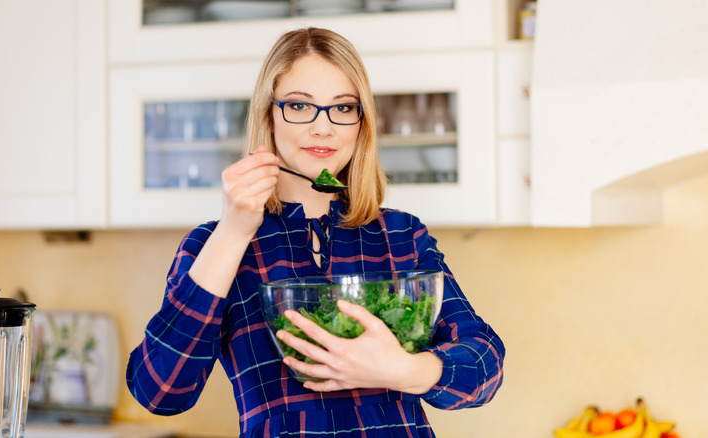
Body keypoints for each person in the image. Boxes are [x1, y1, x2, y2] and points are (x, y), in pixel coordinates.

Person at [126, 27, 505, 437]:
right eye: (300, 106)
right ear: (268, 114)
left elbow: (484, 366)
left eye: (342, 108)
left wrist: (401, 369)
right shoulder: (214, 246)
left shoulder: (402, 236)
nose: (323, 128)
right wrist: (234, 232)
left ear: (361, 123)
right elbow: (160, 391)